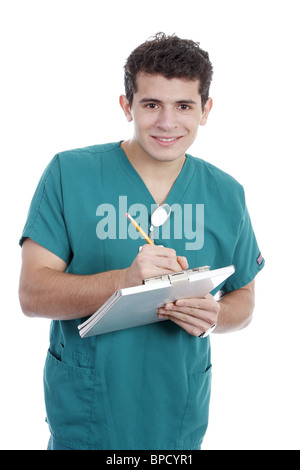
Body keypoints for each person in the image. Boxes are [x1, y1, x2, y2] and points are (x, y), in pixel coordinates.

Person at [19, 32, 264, 450]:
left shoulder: (226, 193)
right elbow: (32, 294)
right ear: (126, 105)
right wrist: (124, 280)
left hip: (178, 417)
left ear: (205, 110)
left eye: (184, 106)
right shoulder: (69, 174)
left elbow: (244, 300)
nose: (167, 123)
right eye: (151, 104)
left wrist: (215, 315)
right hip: (89, 415)